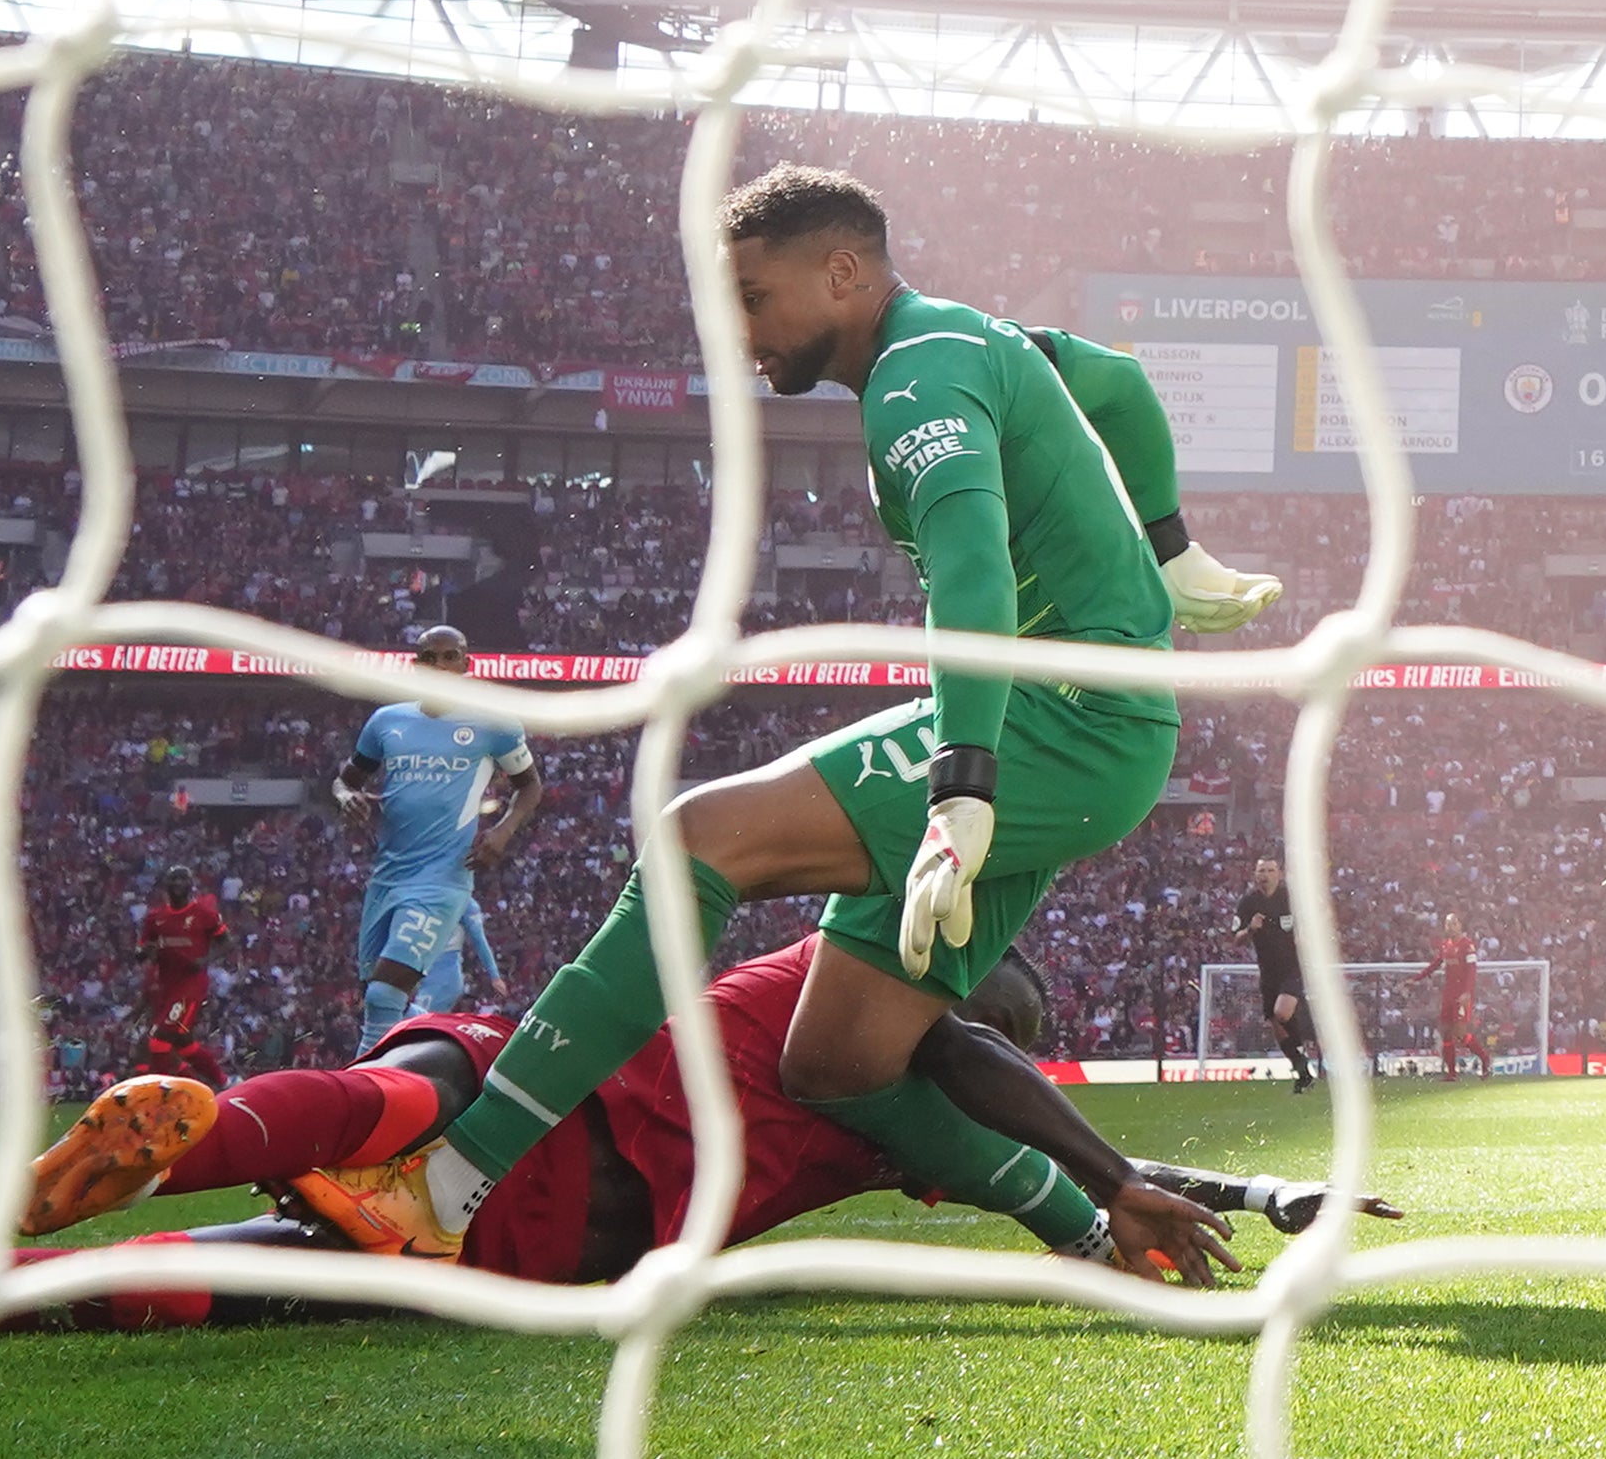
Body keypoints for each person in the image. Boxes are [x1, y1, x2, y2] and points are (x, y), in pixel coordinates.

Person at [309, 164, 1283, 1260]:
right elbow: (1116, 379)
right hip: (1082, 722)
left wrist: (962, 786)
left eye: (754, 297)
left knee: (699, 838)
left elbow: (971, 580)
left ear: (840, 273)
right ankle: (1097, 1230)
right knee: (837, 1060)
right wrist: (1172, 550)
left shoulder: (914, 381)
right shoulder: (974, 340)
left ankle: (447, 1183)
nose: (739, 330)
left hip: (1054, 718)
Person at [0, 939, 1405, 1318]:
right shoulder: (913, 1097)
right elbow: (1025, 1126)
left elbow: (1017, 1115)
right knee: (154, 1283)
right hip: (538, 1241)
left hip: (511, 1119)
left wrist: (1236, 1178)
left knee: (433, 1073)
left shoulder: (818, 1002)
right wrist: (1129, 1188)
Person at [333, 625, 542, 1057]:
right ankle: (412, 1072)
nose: (441, 666)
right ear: (417, 665)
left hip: (443, 879)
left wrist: (502, 831)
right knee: (374, 994)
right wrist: (347, 796)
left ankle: (364, 1090)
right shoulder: (388, 721)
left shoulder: (493, 721)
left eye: (451, 657)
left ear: (467, 664)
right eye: (431, 658)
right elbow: (345, 781)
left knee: (383, 996)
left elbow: (530, 786)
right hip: (387, 877)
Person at [138, 864, 229, 1090]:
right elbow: (142, 948)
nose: (177, 884)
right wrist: (144, 953)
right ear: (166, 885)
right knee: (183, 1044)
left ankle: (158, 1095)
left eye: (182, 879)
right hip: (166, 986)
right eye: (173, 879)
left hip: (191, 987)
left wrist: (204, 960)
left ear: (190, 885)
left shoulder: (204, 915)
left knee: (159, 1040)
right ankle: (223, 1083)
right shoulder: (155, 917)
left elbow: (226, 942)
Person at [1233, 856, 1318, 1094]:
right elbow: (1236, 939)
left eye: (1270, 870)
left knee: (1282, 1013)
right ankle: (1302, 1072)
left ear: (1278, 874)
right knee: (1277, 1024)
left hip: (1292, 967)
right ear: (1255, 874)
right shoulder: (1248, 902)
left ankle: (1306, 1039)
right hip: (1267, 971)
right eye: (1261, 870)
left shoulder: (1290, 899)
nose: (1265, 874)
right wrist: (1250, 928)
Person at [1406, 913, 1490, 1081]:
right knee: (1445, 1033)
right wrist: (1416, 979)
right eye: (1447, 924)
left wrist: (1467, 992)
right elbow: (1435, 964)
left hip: (1462, 995)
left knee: (1460, 1034)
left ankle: (1485, 1059)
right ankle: (1452, 1073)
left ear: (1460, 925)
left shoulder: (1467, 945)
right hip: (1448, 994)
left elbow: (1472, 970)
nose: (1450, 927)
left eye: (1453, 923)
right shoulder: (1446, 945)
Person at [409, 899, 506, 1017]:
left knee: (419, 1024)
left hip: (444, 976)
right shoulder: (422, 896)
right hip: (422, 974)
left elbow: (479, 940)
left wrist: (494, 975)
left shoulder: (464, 903)